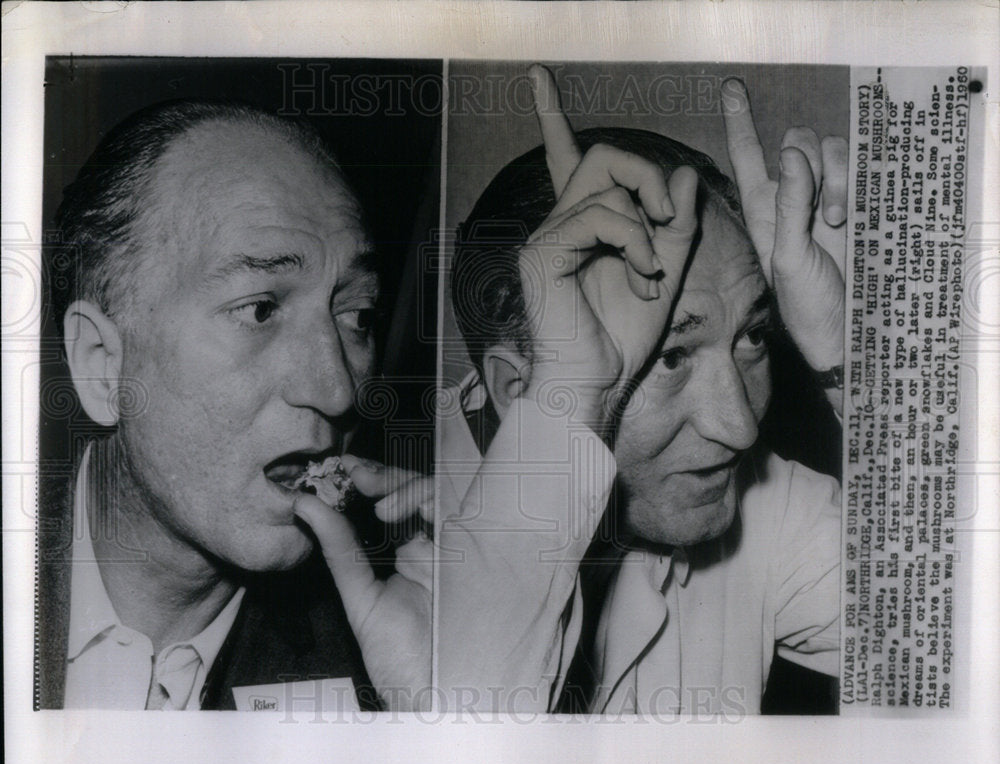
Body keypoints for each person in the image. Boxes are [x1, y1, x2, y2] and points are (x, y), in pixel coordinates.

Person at [436, 66, 847, 715]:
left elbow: (957, 625)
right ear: (523, 393)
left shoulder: (758, 504)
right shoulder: (382, 550)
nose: (739, 428)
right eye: (672, 355)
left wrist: (868, 349)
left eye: (754, 337)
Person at [36, 99, 433, 711]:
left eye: (356, 316)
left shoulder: (385, 653)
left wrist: (442, 717)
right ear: (101, 363)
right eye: (260, 309)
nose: (337, 390)